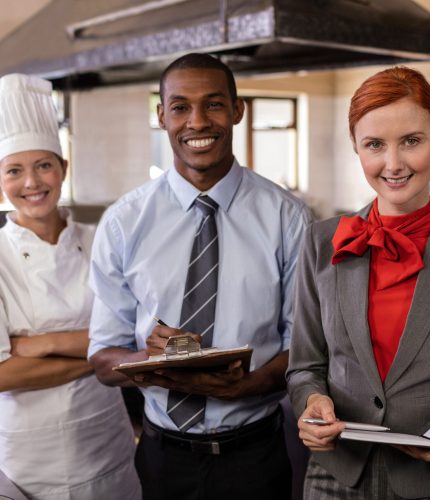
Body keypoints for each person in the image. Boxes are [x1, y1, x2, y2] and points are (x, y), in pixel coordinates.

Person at [88, 53, 312, 500]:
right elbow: (102, 358)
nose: (197, 121)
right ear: (161, 116)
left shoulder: (288, 218)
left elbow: (305, 346)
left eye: (213, 104)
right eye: (180, 107)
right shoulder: (124, 222)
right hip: (162, 458)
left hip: (255, 456)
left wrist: (248, 386)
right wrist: (150, 366)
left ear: (237, 110)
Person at [286, 66, 430, 499]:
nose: (393, 164)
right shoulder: (321, 242)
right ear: (355, 145)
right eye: (375, 144)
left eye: (411, 141)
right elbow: (305, 367)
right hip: (335, 476)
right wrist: (312, 404)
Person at [0, 74, 141, 499]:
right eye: (14, 170)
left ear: (64, 168)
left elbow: (138, 331)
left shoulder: (104, 238)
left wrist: (42, 345)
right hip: (30, 459)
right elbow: (3, 375)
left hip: (109, 443)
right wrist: (111, 360)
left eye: (44, 165)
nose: (32, 183)